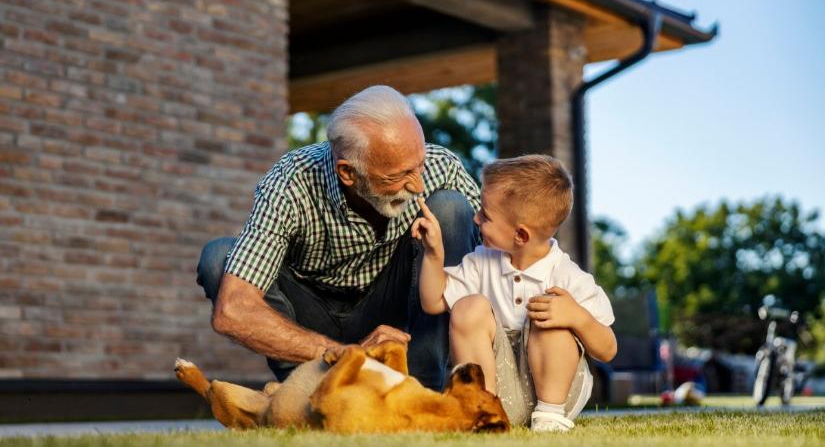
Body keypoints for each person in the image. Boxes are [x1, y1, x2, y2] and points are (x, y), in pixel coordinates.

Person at [196, 85, 480, 390]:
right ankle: (313, 392)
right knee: (220, 258)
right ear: (348, 173)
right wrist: (342, 355)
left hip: (400, 311)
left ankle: (425, 388)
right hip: (311, 314)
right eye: (398, 175)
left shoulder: (441, 167)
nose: (418, 185)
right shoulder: (291, 182)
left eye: (420, 164)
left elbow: (499, 254)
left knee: (451, 209)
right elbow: (233, 310)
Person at [413, 154, 617, 432]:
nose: (476, 218)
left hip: (556, 396)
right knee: (468, 307)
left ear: (520, 235)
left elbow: (608, 349)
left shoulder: (567, 276)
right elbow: (433, 301)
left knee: (552, 310)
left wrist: (577, 318)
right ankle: (481, 408)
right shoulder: (481, 262)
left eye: (485, 215)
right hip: (501, 391)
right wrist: (434, 253)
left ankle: (550, 419)